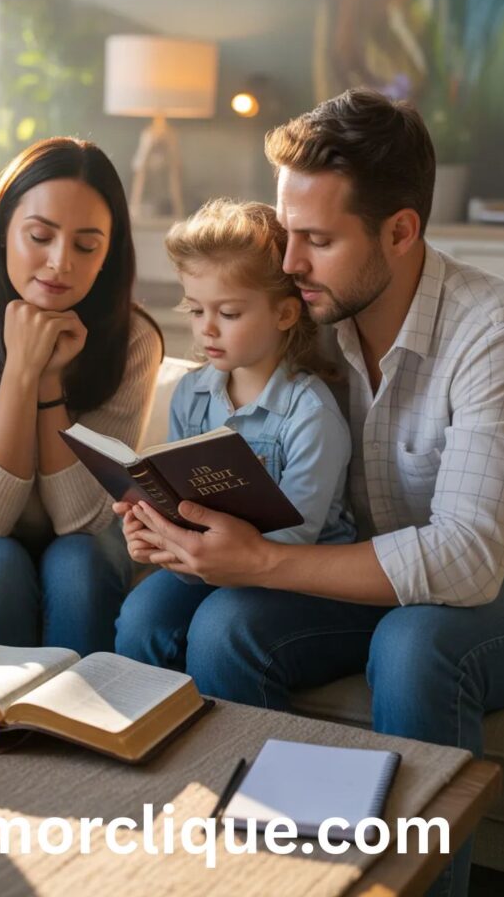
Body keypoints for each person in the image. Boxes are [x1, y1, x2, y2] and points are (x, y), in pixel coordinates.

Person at [116, 90, 504, 897]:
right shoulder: (304, 317)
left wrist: (261, 562)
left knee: (412, 649)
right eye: (286, 230)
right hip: (354, 569)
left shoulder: (489, 330)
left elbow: (469, 558)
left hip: (493, 590)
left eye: (318, 240)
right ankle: (260, 874)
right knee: (223, 626)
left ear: (399, 231)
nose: (289, 262)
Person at [0, 137, 162, 654]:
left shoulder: (134, 341)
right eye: (40, 236)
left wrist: (49, 383)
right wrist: (22, 366)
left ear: (108, 255)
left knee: (79, 565)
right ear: (2, 233)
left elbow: (81, 519)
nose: (60, 262)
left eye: (86, 246)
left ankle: (80, 707)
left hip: (85, 538)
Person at [116, 198, 356, 664]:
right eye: (195, 310)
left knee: (221, 624)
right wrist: (154, 532)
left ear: (284, 315)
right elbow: (178, 499)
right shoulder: (192, 394)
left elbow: (296, 539)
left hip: (298, 576)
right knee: (141, 618)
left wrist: (198, 553)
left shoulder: (311, 415)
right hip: (208, 561)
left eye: (228, 314)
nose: (207, 330)